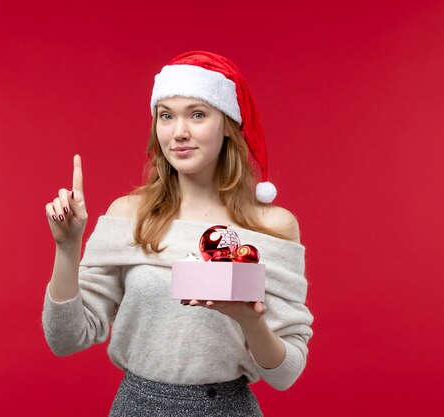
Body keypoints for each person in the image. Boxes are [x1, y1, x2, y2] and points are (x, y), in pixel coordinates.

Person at [42, 51, 314, 417]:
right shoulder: (129, 215)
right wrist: (67, 247)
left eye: (197, 114)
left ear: (228, 125)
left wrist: (249, 319)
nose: (179, 132)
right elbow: (66, 339)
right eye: (166, 116)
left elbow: (286, 373)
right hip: (136, 407)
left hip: (228, 409)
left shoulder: (272, 226)